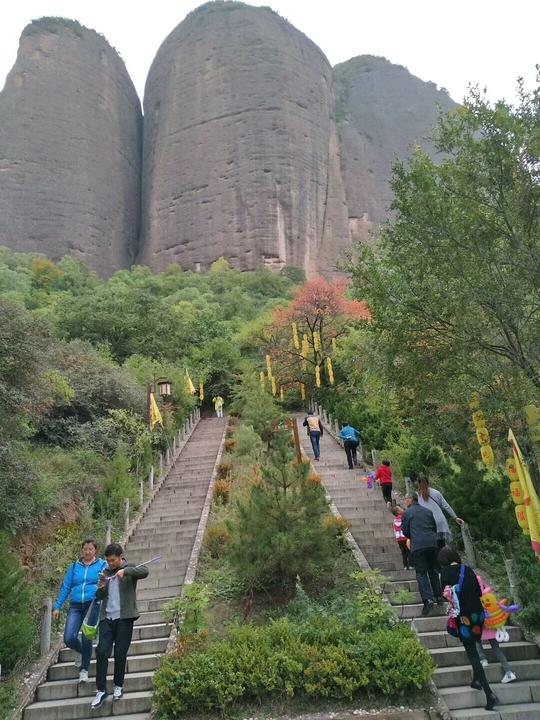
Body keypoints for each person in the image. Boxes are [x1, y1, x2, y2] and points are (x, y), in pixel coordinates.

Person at [439, 547, 498, 711]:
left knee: (472, 653)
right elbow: (480, 591)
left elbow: (443, 593)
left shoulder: (445, 573)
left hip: (463, 618)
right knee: (475, 644)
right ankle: (476, 680)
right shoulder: (468, 569)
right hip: (478, 616)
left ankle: (489, 694)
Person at [90, 544, 149, 709]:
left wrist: (126, 571)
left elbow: (145, 571)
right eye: (108, 561)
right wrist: (101, 587)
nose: (110, 563)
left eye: (113, 560)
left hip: (124, 618)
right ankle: (101, 690)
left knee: (120, 653)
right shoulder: (105, 573)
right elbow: (99, 596)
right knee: (102, 651)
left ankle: (118, 686)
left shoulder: (129, 568)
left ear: (121, 557)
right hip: (107, 618)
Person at [52, 539, 106, 683]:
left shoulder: (102, 565)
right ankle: (84, 652)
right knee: (69, 638)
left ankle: (84, 670)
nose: (87, 552)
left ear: (95, 550)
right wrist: (57, 606)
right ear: (82, 550)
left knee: (87, 636)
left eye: (90, 549)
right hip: (75, 605)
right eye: (85, 549)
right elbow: (66, 587)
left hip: (92, 603)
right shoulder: (74, 566)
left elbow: (108, 582)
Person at [402, 492, 442, 615]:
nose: (404, 501)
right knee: (433, 570)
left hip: (418, 546)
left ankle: (428, 599)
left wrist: (413, 536)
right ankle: (438, 596)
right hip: (432, 544)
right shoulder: (428, 511)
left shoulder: (408, 513)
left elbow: (405, 531)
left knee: (421, 573)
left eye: (405, 499)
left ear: (410, 500)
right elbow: (434, 528)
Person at [475, 574, 517, 684]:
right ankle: (509, 672)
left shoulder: (475, 598)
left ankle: (482, 659)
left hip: (482, 625)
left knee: (476, 639)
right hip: (492, 625)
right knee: (496, 649)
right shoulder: (488, 596)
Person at [416, 473, 464, 549]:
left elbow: (415, 510)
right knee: (441, 546)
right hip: (439, 522)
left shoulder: (417, 496)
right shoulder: (436, 493)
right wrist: (455, 517)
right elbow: (446, 506)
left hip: (427, 523)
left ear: (418, 484)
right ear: (428, 482)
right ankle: (442, 559)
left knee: (432, 547)